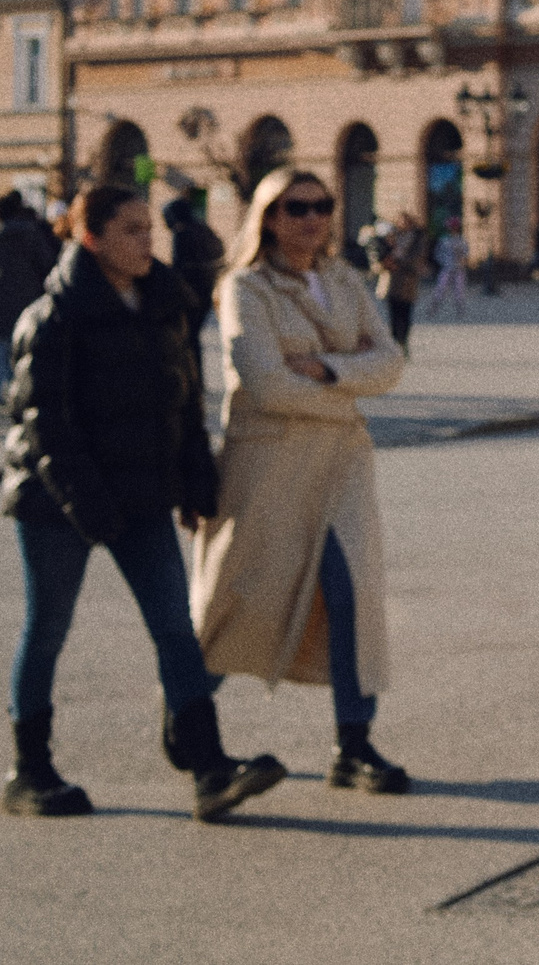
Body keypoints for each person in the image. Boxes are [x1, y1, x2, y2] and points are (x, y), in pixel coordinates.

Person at [4, 182, 287, 821]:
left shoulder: (164, 302)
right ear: (90, 237)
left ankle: (210, 770)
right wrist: (89, 508)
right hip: (53, 499)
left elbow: (182, 401)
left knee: (173, 627)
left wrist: (194, 482)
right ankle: (31, 770)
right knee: (47, 628)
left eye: (147, 228)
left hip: (139, 494)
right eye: (129, 230)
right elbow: (47, 427)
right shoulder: (52, 318)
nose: (145, 241)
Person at [191, 168, 413, 794]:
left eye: (322, 206)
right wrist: (349, 385)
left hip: (340, 462)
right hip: (268, 465)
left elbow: (391, 362)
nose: (312, 219)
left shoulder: (343, 279)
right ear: (268, 216)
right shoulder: (245, 288)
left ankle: (355, 744)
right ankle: (184, 714)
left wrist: (325, 370)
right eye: (296, 208)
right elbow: (262, 382)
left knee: (351, 601)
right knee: (238, 600)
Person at [162, 195, 226, 344]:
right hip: (206, 289)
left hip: (190, 290)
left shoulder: (182, 233)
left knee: (188, 336)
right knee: (194, 335)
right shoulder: (203, 228)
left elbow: (179, 265)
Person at [0, 191, 60, 346]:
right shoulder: (33, 234)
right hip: (32, 302)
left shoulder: (4, 237)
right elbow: (49, 264)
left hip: (4, 307)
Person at [373, 211, 427, 347]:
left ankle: (403, 342)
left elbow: (416, 259)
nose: (402, 224)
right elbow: (381, 254)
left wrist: (398, 262)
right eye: (400, 221)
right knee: (393, 315)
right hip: (392, 282)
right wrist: (385, 261)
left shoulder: (417, 238)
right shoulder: (391, 237)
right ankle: (395, 343)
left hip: (408, 282)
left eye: (405, 221)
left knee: (405, 314)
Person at [424, 217, 469, 319]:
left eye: (455, 227)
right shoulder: (444, 240)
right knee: (440, 288)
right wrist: (443, 262)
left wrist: (462, 260)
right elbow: (437, 253)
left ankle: (460, 310)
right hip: (447, 268)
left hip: (459, 269)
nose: (454, 229)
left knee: (459, 290)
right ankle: (433, 308)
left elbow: (466, 254)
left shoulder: (462, 240)